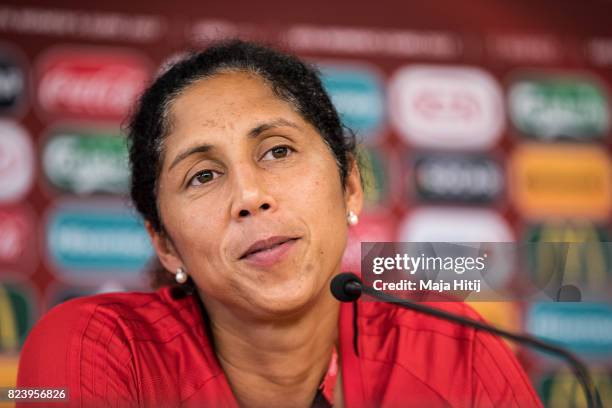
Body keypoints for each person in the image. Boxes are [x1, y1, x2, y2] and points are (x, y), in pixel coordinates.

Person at [17, 39, 542, 408]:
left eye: (277, 150)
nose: (249, 196)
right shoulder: (95, 347)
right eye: (202, 176)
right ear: (166, 244)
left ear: (350, 186)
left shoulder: (454, 346)